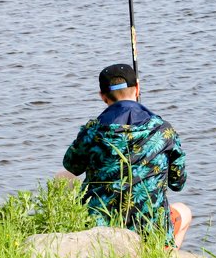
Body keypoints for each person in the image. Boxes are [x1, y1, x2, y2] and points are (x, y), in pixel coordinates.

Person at [62, 62, 191, 248]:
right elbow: (178, 183)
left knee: (62, 176)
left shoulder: (93, 130)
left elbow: (70, 165)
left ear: (102, 96)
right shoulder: (164, 130)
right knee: (184, 212)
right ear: (137, 88)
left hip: (100, 228)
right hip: (151, 231)